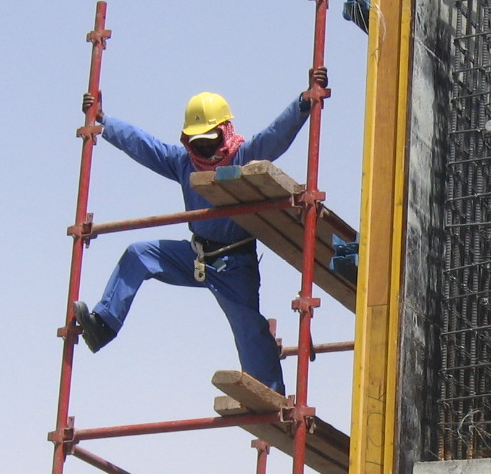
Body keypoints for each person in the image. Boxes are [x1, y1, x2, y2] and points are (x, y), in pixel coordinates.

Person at [73, 70, 327, 395]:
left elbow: (275, 137)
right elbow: (143, 145)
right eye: (196, 141)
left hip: (234, 263)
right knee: (140, 254)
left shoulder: (242, 156)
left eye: (208, 139)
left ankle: (270, 392)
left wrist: (304, 103)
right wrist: (104, 122)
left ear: (224, 130)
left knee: (248, 326)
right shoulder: (184, 162)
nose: (202, 148)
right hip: (196, 256)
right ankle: (104, 324)